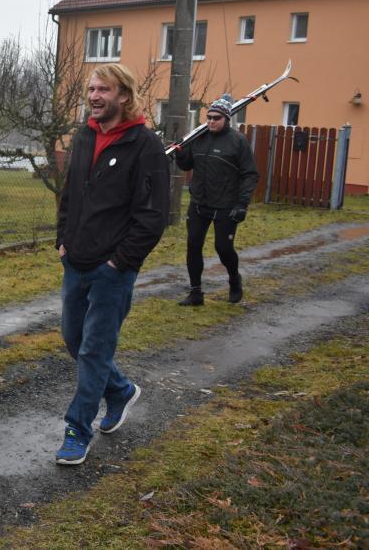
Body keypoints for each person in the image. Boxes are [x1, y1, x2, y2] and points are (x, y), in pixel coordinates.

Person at [54, 63, 169, 466]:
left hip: (112, 271)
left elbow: (153, 215)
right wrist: (63, 241)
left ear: (124, 95)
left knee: (94, 350)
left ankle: (77, 430)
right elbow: (70, 193)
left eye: (103, 89)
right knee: (73, 338)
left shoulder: (145, 145)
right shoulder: (85, 135)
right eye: (91, 89)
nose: (94, 96)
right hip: (76, 260)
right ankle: (120, 390)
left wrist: (119, 262)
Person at [173, 96, 259, 306]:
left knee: (223, 248)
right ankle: (195, 292)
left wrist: (242, 204)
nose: (211, 121)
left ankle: (234, 279)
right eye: (209, 117)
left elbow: (250, 174)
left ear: (226, 119)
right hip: (199, 203)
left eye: (216, 118)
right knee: (193, 245)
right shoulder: (199, 137)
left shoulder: (237, 141)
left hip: (226, 205)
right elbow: (187, 165)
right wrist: (180, 154)